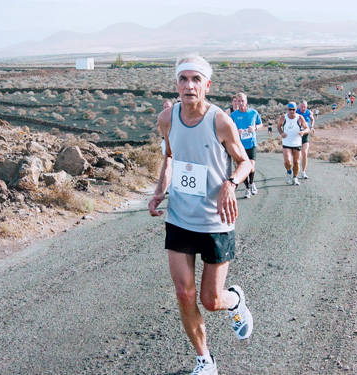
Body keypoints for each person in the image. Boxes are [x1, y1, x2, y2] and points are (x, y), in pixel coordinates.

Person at [148, 54, 254, 375]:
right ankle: (204, 359)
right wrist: (158, 191)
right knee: (184, 293)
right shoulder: (166, 119)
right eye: (183, 79)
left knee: (210, 299)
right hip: (179, 217)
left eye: (196, 80)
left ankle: (233, 299)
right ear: (176, 84)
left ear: (207, 85)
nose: (189, 85)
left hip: (215, 221)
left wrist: (231, 183)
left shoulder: (220, 120)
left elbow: (245, 161)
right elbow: (170, 158)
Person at [230, 92, 263, 198]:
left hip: (251, 143)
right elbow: (229, 129)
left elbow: (260, 124)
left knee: (251, 167)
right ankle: (247, 188)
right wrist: (236, 131)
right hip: (240, 145)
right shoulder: (233, 115)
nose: (241, 103)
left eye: (242, 101)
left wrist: (255, 129)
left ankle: (252, 183)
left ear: (246, 101)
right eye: (238, 101)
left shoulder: (253, 113)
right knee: (242, 167)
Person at [278, 102, 309, 186]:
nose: (291, 111)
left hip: (297, 143)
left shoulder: (300, 118)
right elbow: (278, 126)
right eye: (290, 110)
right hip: (286, 142)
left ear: (296, 110)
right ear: (287, 109)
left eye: (293, 110)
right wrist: (281, 133)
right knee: (287, 160)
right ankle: (288, 172)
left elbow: (307, 128)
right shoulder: (283, 117)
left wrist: (303, 132)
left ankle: (295, 178)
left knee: (296, 162)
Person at [296, 100, 315, 179]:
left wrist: (312, 127)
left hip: (305, 134)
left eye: (305, 107)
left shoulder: (308, 112)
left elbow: (312, 119)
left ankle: (303, 172)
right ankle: (295, 170)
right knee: (297, 155)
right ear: (299, 106)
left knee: (304, 153)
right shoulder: (296, 112)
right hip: (297, 135)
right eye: (302, 107)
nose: (303, 108)